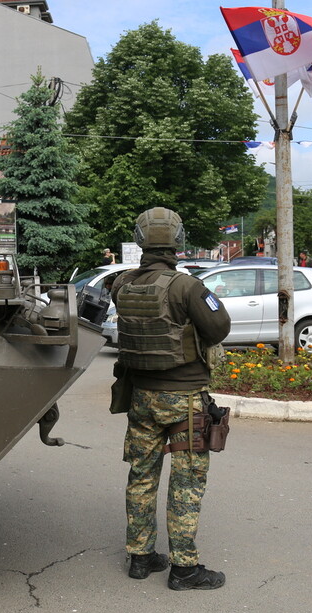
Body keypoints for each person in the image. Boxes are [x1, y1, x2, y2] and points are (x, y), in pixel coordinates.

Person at [110, 207, 232, 591]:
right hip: (185, 400)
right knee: (187, 481)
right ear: (177, 241)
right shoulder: (187, 287)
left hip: (141, 398)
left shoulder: (121, 285)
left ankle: (141, 558)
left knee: (141, 475)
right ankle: (184, 569)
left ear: (141, 240)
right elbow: (219, 327)